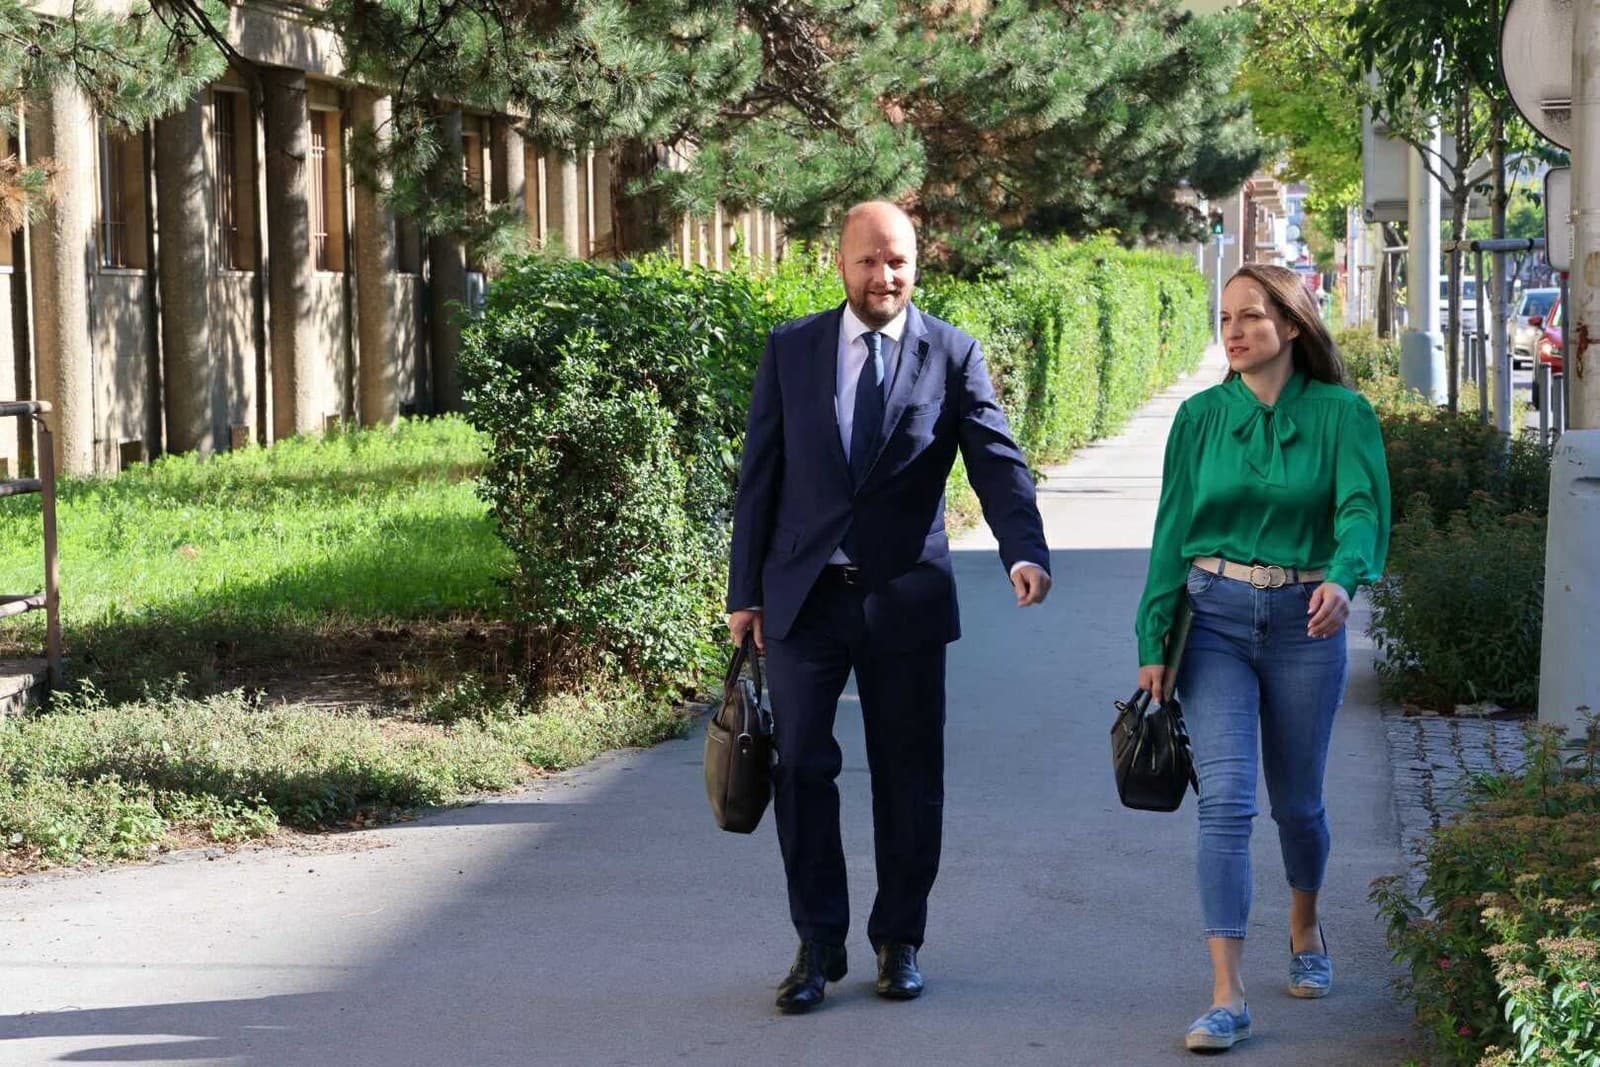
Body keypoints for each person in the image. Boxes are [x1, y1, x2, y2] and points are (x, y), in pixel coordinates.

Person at [727, 201, 1052, 1014]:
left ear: (917, 264)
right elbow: (760, 477)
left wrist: (1025, 547)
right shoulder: (792, 349)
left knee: (909, 777)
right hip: (804, 598)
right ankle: (818, 943)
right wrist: (745, 593)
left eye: (899, 260)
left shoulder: (951, 353)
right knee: (802, 767)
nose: (886, 276)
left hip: (904, 599)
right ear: (841, 264)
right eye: (870, 261)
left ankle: (899, 938)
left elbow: (996, 457)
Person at [1133, 264, 1390, 1053]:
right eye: (1226, 318)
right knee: (1228, 801)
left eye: (1250, 316)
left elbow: (1360, 509)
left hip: (1305, 620)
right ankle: (1227, 994)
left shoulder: (1344, 415)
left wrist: (1343, 581)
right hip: (1211, 621)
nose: (1234, 331)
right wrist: (1154, 639)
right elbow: (1173, 530)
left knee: (1298, 803)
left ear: (1293, 323)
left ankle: (1305, 926)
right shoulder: (1200, 418)